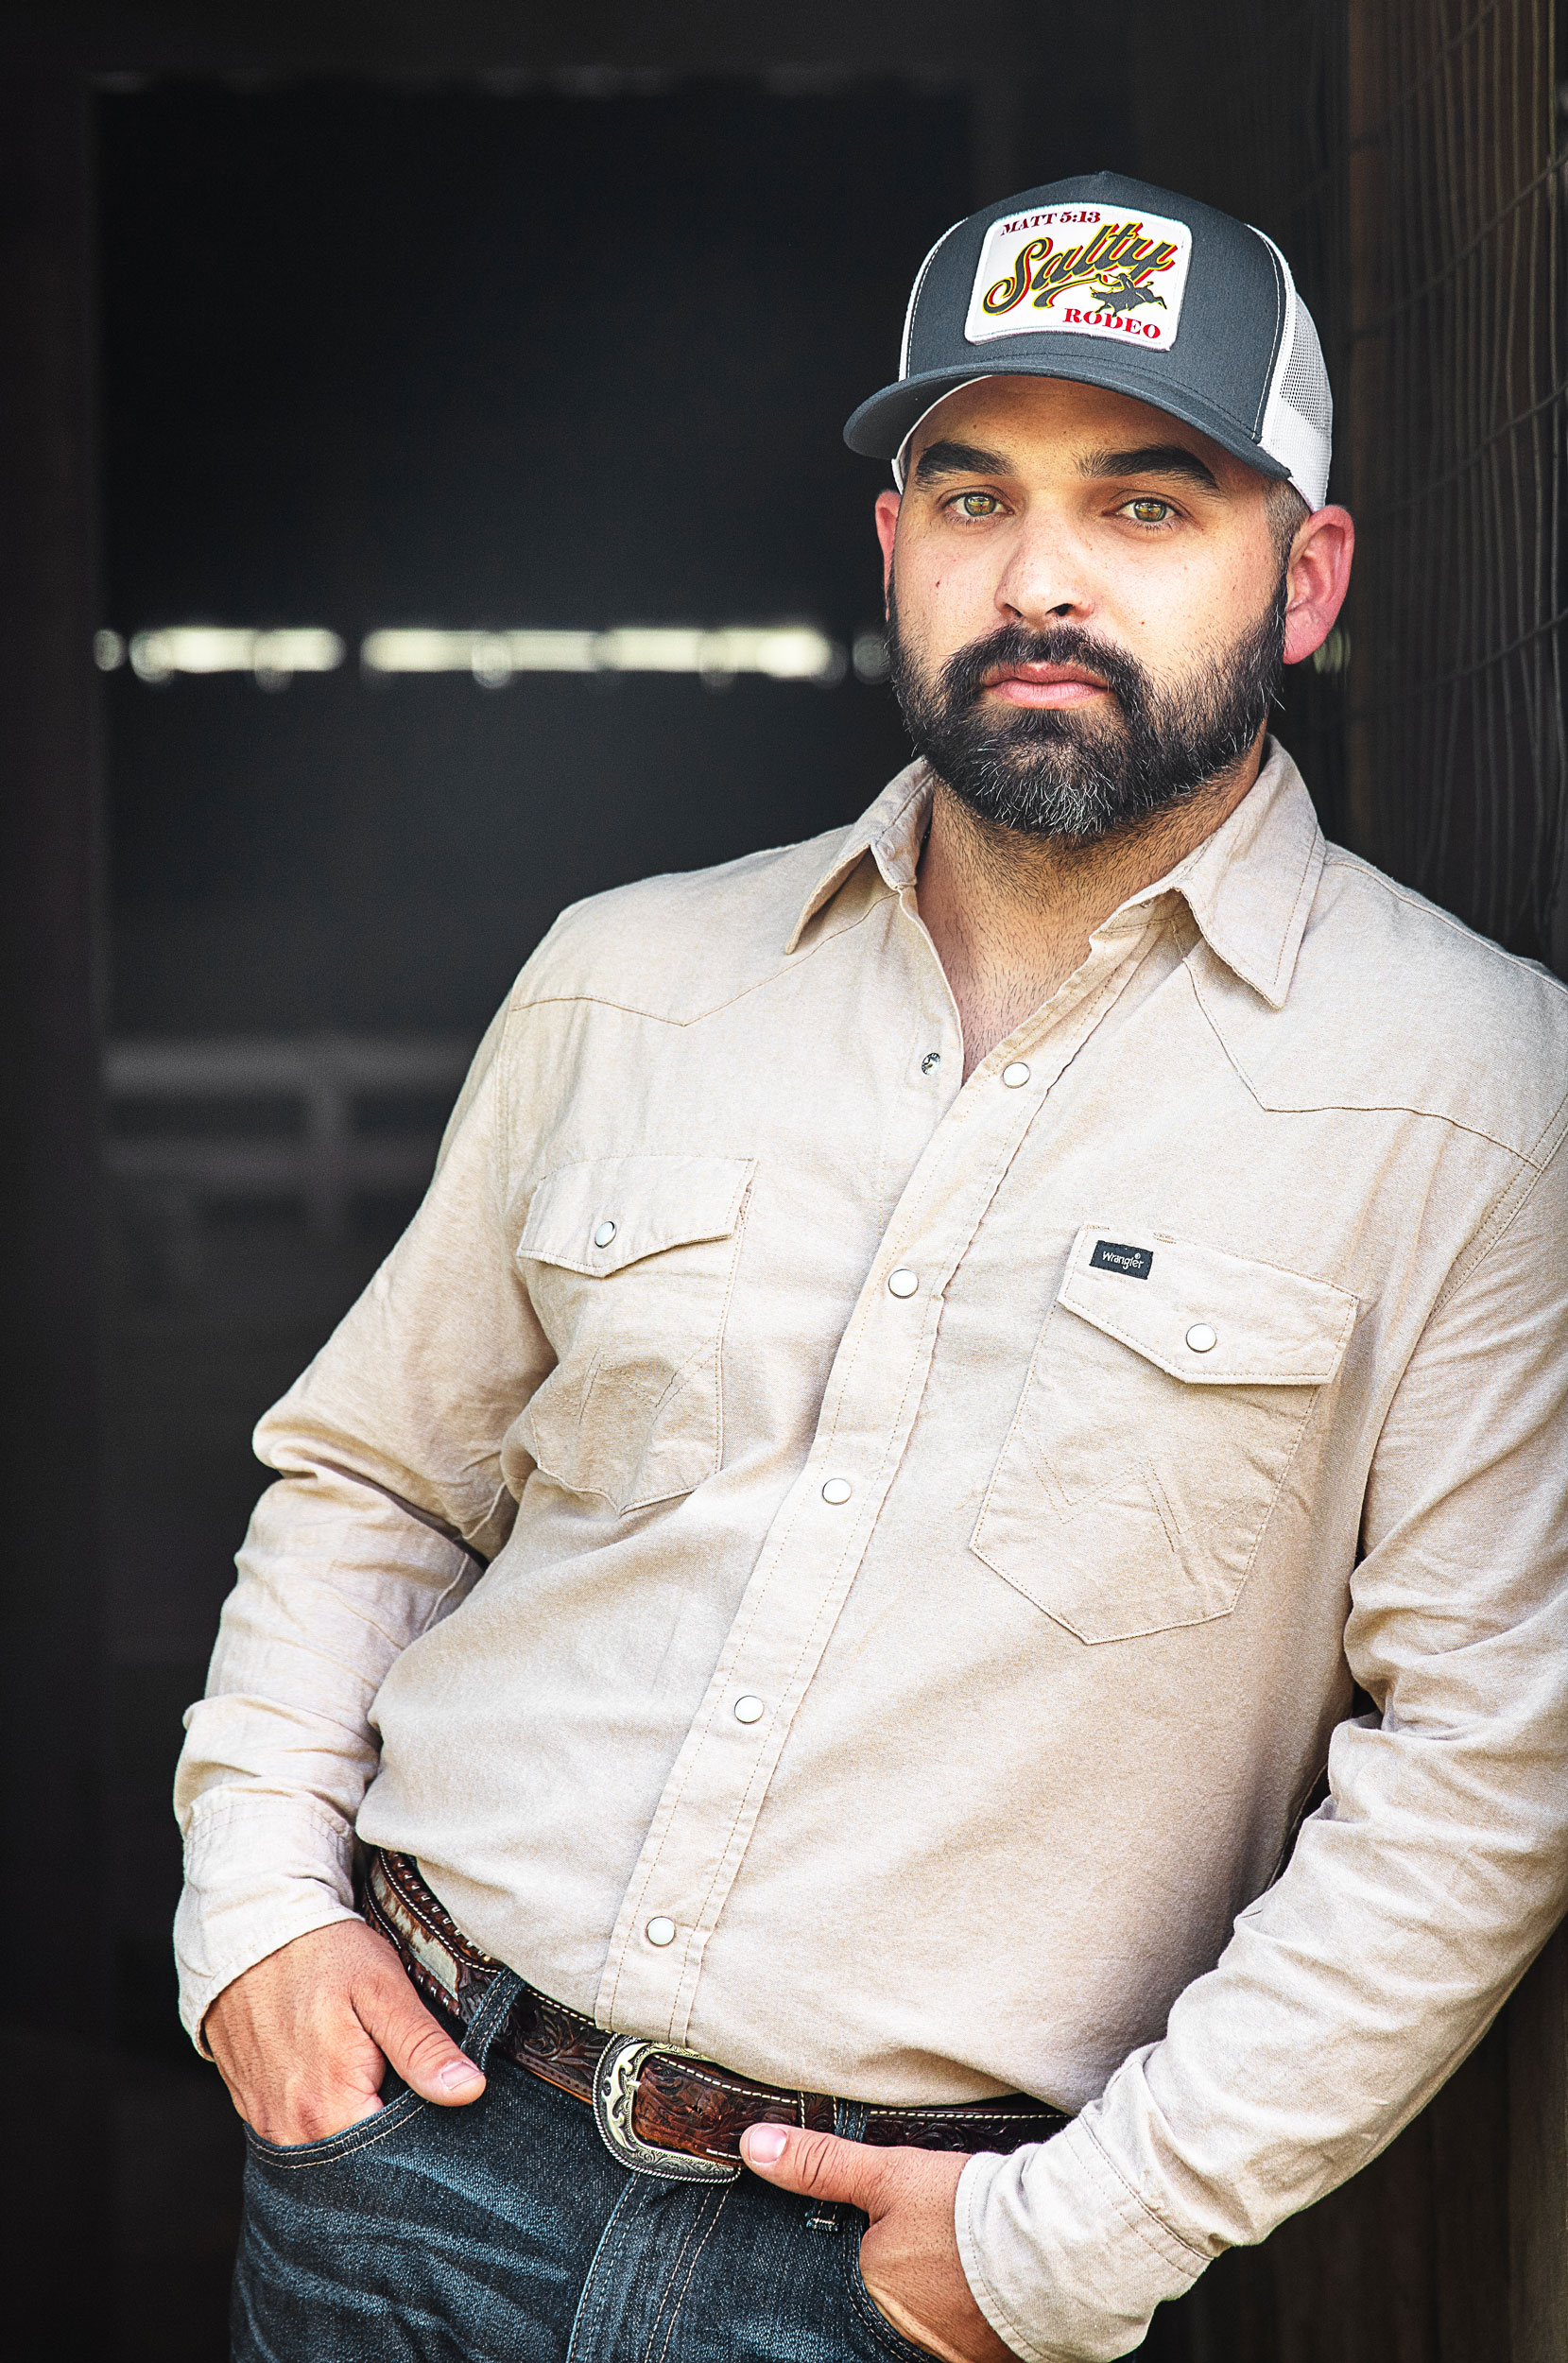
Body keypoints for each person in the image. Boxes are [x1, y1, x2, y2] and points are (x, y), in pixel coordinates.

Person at [176, 171, 1568, 2363]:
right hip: (408, 2165)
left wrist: (1066, 2241)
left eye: (1144, 505)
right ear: (889, 548)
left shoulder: (1477, 1092)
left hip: (912, 2278)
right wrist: (256, 1910)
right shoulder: (621, 980)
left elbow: (1489, 1757)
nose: (1037, 578)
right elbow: (375, 1483)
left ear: (1299, 581)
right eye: (967, 493)